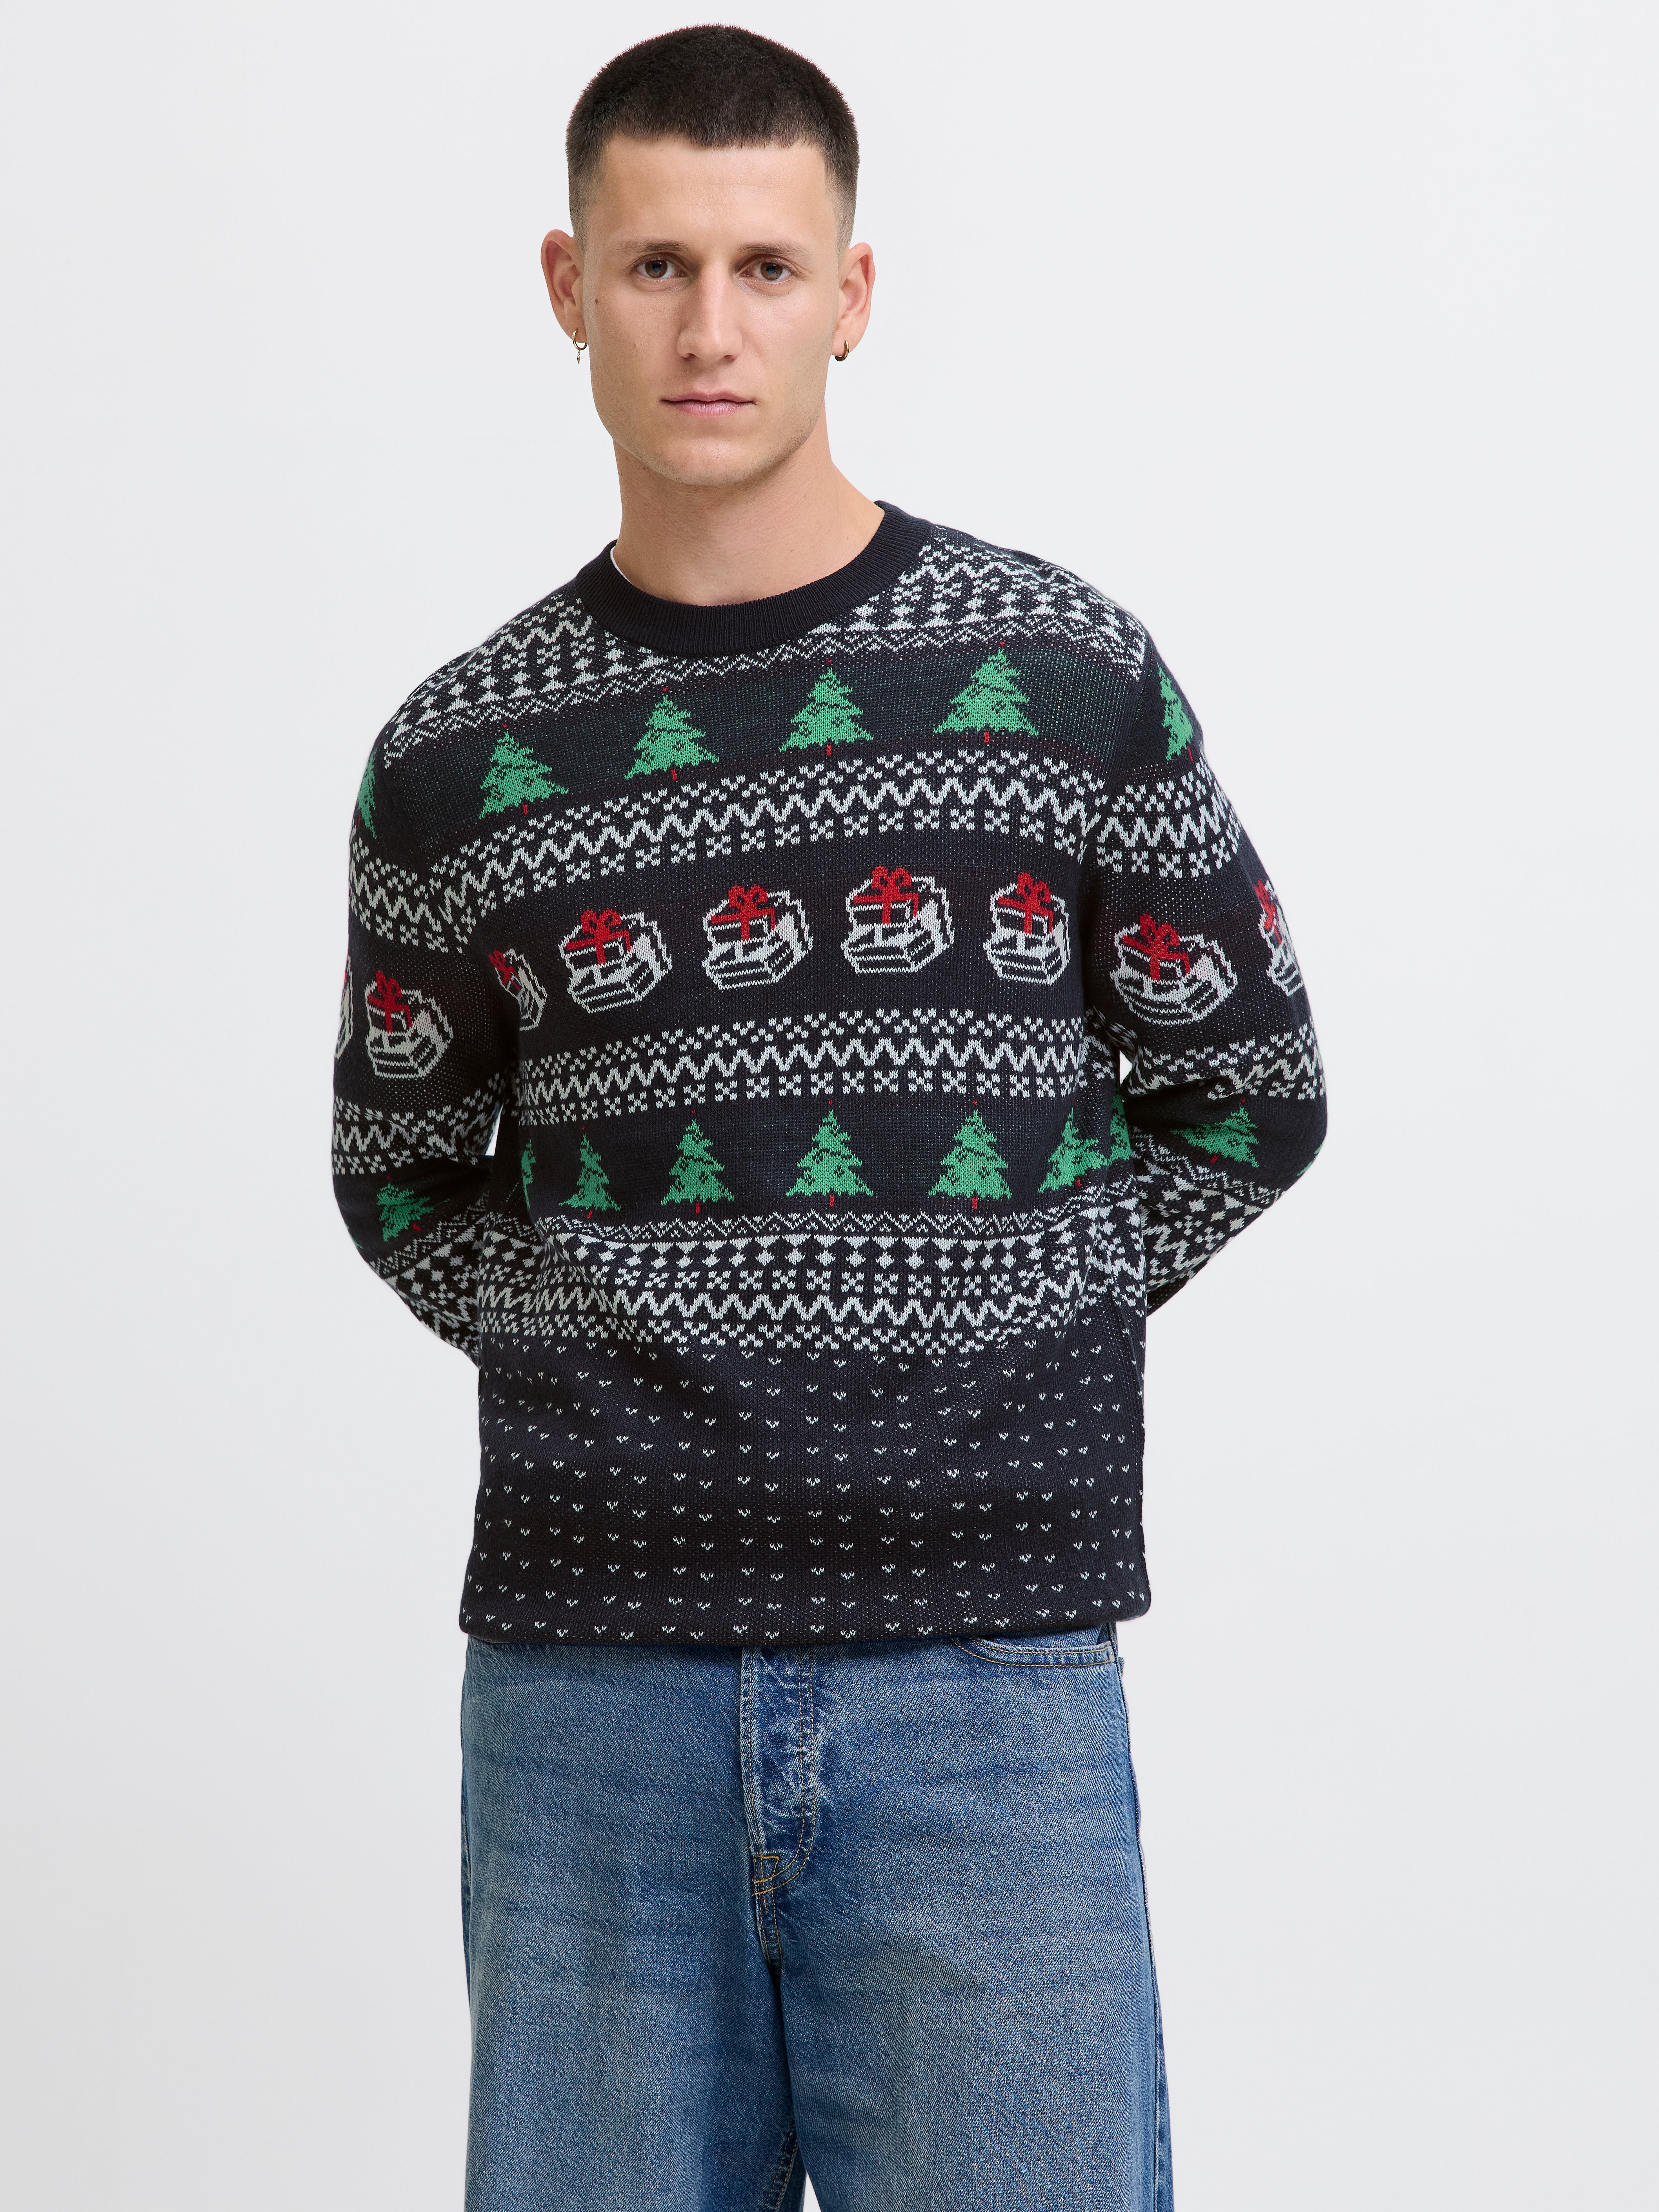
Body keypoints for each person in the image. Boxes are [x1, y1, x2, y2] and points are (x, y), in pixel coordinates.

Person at [331, 25, 1326, 2210]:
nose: (712, 326)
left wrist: (1004, 1310)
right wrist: (605, 1342)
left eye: (766, 267)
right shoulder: (458, 757)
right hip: (590, 1685)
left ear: (849, 296)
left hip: (988, 1678)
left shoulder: (1058, 678)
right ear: (569, 287)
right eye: (657, 264)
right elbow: (399, 1171)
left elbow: (1248, 1091)